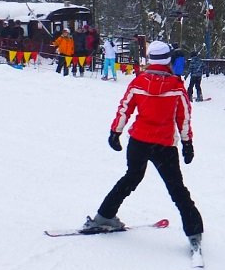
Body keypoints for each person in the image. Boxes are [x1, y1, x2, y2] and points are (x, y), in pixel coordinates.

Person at [84, 40, 203, 255]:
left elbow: (125, 108)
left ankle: (104, 216)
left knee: (131, 178)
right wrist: (187, 143)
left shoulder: (139, 82)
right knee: (177, 189)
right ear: (168, 59)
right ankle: (194, 232)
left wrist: (116, 132)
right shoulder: (176, 87)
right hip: (164, 146)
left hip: (138, 141)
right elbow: (183, 118)